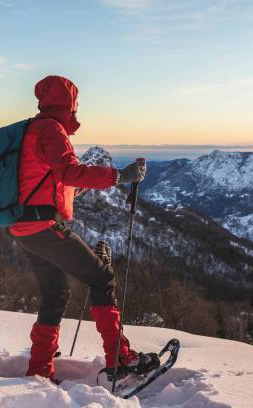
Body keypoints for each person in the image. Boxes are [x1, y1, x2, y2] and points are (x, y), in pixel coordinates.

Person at [10, 75, 159, 382]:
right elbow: (69, 171)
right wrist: (120, 176)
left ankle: (40, 367)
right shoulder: (51, 130)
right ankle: (121, 358)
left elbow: (47, 181)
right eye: (76, 102)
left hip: (24, 226)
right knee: (101, 277)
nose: (78, 108)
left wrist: (79, 189)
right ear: (69, 103)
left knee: (55, 292)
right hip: (44, 226)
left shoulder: (33, 130)